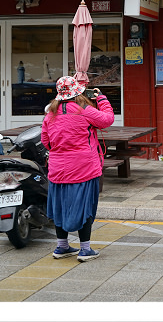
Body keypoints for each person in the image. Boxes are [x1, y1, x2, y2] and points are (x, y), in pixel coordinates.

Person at [41, 76, 114, 262]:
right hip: (84, 169)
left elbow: (46, 141)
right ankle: (85, 249)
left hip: (58, 170)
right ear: (78, 92)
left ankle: (62, 246)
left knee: (60, 207)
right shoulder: (85, 110)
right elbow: (107, 119)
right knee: (85, 207)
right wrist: (102, 99)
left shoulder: (50, 114)